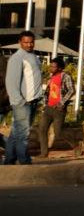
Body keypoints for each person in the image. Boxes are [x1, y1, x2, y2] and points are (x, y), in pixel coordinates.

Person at [3, 31, 42, 165]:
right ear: (20, 42)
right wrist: (19, 101)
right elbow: (11, 82)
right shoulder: (17, 58)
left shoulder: (34, 57)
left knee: (15, 133)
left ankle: (9, 160)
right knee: (23, 134)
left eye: (31, 42)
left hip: (33, 100)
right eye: (26, 42)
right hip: (22, 102)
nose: (29, 44)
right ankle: (24, 160)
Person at [38, 57, 75, 158]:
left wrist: (61, 103)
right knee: (42, 129)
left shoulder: (65, 76)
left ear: (59, 68)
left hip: (59, 109)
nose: (51, 68)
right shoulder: (51, 78)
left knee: (58, 132)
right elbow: (47, 92)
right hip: (48, 108)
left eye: (54, 67)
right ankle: (44, 153)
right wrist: (45, 104)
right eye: (51, 66)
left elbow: (71, 90)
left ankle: (75, 144)